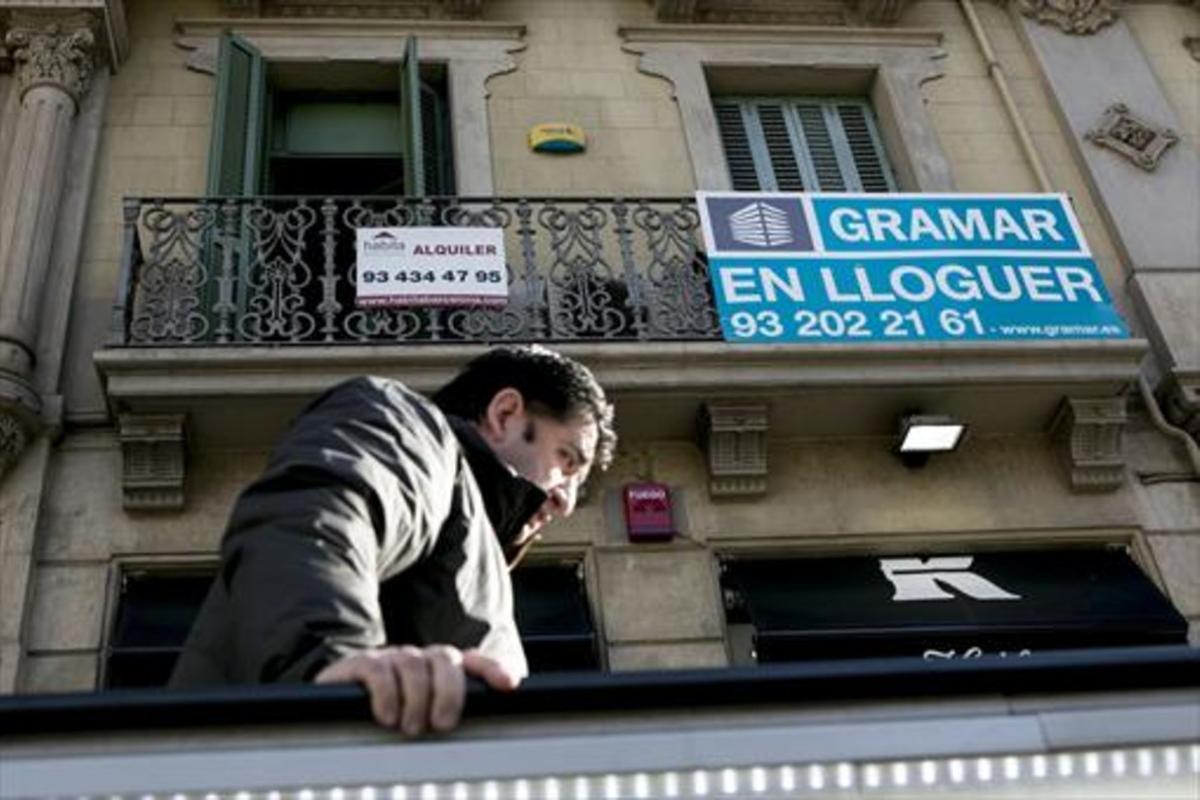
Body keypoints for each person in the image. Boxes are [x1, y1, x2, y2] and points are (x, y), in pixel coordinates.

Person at [170, 345, 615, 735]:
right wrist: (331, 663)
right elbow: (319, 516)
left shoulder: (474, 540)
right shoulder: (412, 433)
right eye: (567, 460)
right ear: (503, 414)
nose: (566, 501)